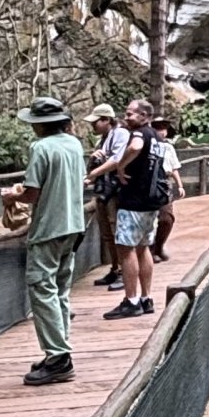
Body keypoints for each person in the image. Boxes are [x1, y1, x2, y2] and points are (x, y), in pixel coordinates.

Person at [8, 96, 88, 386]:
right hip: (74, 226)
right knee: (60, 289)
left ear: (40, 125)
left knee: (41, 288)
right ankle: (58, 351)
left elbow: (31, 194)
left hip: (49, 229)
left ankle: (58, 358)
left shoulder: (40, 148)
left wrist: (11, 196)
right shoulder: (74, 144)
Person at [103, 98, 167, 319]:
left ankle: (131, 301)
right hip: (151, 203)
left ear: (144, 116)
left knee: (126, 248)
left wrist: (120, 165)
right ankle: (146, 298)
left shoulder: (139, 134)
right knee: (143, 247)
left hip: (134, 202)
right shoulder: (157, 138)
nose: (126, 117)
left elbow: (135, 146)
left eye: (131, 113)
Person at [85, 103, 126, 290]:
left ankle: (124, 272)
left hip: (117, 192)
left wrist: (94, 174)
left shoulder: (121, 135)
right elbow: (93, 166)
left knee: (117, 231)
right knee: (107, 233)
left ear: (106, 120)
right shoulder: (101, 140)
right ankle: (115, 267)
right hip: (103, 192)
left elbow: (117, 160)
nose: (92, 125)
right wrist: (93, 160)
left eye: (96, 121)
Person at [149, 114, 183, 262]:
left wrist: (180, 185)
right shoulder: (147, 145)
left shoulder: (169, 147)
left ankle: (159, 246)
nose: (162, 132)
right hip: (149, 183)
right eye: (158, 128)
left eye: (164, 128)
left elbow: (174, 167)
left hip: (164, 183)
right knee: (149, 219)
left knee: (166, 218)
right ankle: (150, 251)